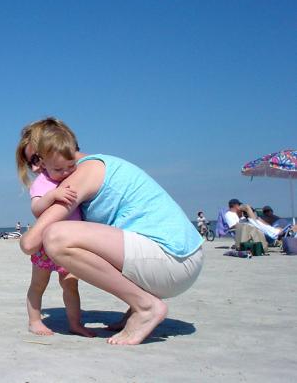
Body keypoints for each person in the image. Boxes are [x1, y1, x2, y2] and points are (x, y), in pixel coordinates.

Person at [18, 118, 204, 345]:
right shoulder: (100, 163)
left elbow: (30, 244)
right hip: (179, 259)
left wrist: (28, 232)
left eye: (36, 159)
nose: (35, 169)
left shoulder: (84, 173)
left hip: (173, 261)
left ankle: (145, 306)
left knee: (55, 236)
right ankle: (137, 307)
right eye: (30, 163)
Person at [15, 119, 95, 337]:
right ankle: (34, 321)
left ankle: (75, 323)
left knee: (70, 285)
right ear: (44, 164)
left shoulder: (75, 175)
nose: (65, 172)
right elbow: (36, 208)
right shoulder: (42, 182)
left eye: (70, 167)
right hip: (44, 245)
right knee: (38, 284)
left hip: (69, 243)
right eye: (58, 169)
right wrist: (52, 196)